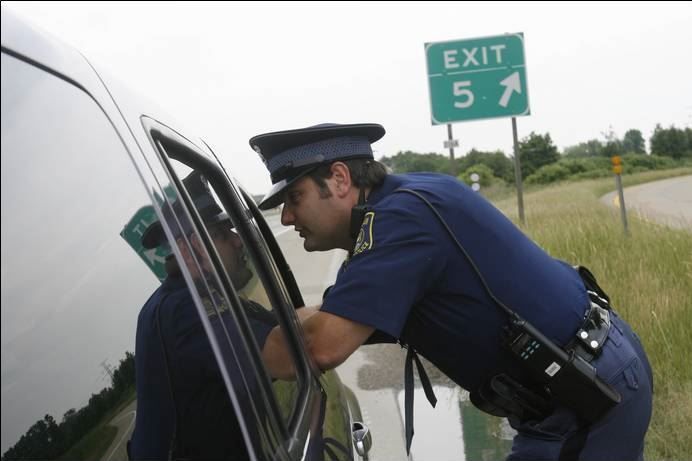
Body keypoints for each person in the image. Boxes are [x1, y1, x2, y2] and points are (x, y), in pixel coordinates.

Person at [251, 123, 654, 461]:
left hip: (582, 397)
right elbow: (337, 317)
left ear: (339, 179)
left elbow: (321, 346)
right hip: (589, 370)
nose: (286, 216)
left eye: (294, 197)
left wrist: (241, 352)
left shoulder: (398, 225)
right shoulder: (403, 205)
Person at [129, 171, 276, 461]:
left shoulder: (186, 295)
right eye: (223, 234)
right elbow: (280, 355)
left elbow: (267, 322)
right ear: (189, 249)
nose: (237, 242)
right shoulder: (187, 309)